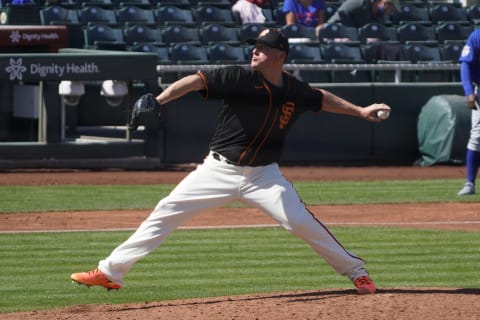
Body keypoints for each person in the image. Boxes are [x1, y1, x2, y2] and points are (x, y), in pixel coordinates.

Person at [71, 29, 391, 294]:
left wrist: (361, 111)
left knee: (299, 221)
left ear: (280, 56)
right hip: (218, 170)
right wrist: (158, 99)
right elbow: (196, 80)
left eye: (263, 48)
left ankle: (355, 270)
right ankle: (109, 271)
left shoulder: (293, 88)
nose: (255, 52)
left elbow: (320, 98)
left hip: (264, 177)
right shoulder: (238, 77)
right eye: (255, 46)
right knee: (165, 212)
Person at [458, 29, 480, 196]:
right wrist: (468, 91)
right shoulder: (477, 35)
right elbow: (466, 63)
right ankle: (470, 182)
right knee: (477, 136)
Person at [327, 0, 399, 28]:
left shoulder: (379, 15)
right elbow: (342, 13)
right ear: (384, 4)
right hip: (334, 29)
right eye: (392, 9)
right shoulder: (360, 3)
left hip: (352, 38)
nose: (391, 13)